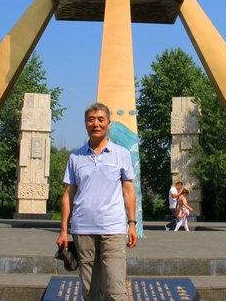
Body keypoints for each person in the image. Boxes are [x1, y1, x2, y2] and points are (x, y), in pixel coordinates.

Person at [56, 102, 138, 301]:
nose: (96, 124)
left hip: (113, 228)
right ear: (85, 124)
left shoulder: (122, 154)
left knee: (115, 288)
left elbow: (128, 191)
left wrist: (132, 224)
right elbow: (68, 195)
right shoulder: (75, 157)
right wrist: (64, 230)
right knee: (90, 291)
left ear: (108, 123)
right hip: (83, 229)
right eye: (91, 120)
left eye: (101, 119)